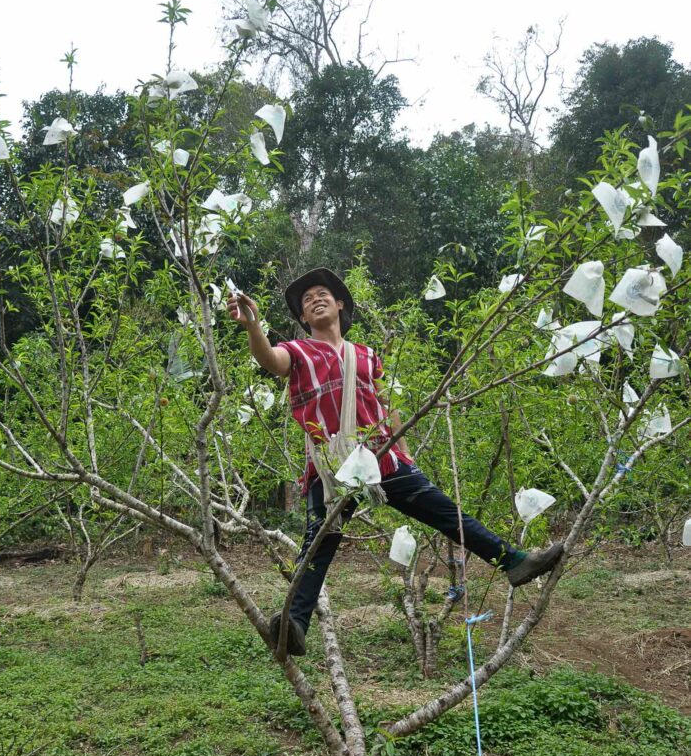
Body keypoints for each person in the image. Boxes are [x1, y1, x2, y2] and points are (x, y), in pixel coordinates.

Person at [227, 268, 563, 656]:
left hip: (382, 456)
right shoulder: (298, 351)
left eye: (323, 294)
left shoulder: (367, 356)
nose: (315, 300)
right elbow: (269, 359)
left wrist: (403, 451)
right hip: (329, 465)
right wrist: (254, 327)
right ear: (303, 319)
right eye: (307, 300)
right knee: (319, 542)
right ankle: (293, 625)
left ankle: (514, 562)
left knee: (446, 512)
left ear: (339, 305)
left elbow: (389, 404)